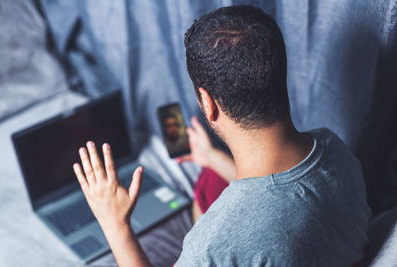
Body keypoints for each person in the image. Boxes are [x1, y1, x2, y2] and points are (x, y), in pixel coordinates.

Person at [72, 5, 371, 266]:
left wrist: (115, 225)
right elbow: (279, 192)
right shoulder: (334, 148)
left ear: (208, 103)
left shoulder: (214, 243)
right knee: (211, 179)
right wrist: (211, 157)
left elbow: (255, 215)